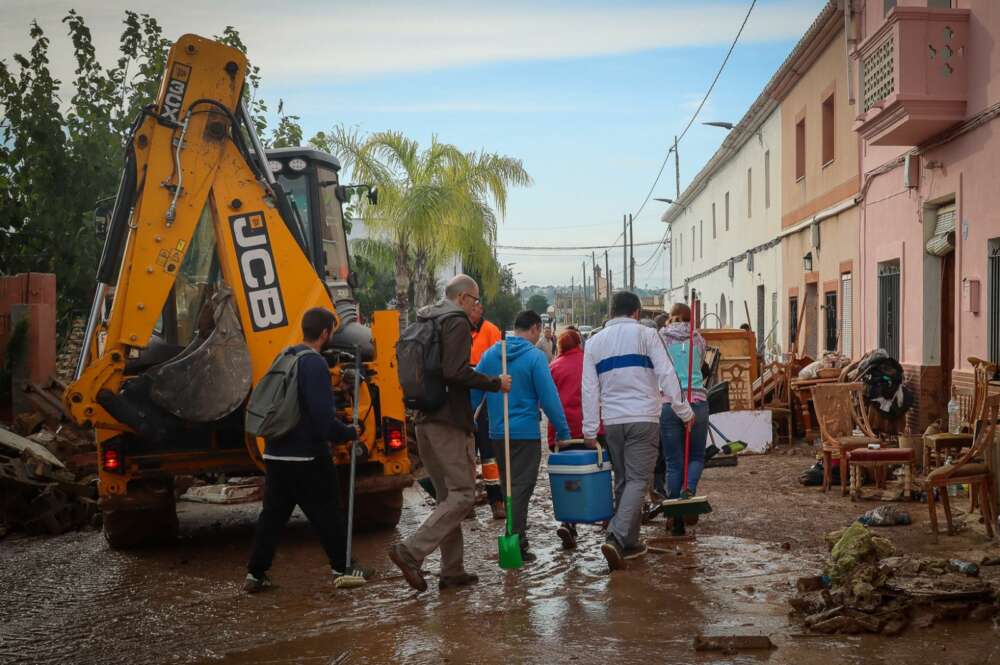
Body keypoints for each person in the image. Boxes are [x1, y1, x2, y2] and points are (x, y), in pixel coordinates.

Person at [388, 275, 511, 593]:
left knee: (448, 497)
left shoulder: (425, 319)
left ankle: (452, 569)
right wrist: (495, 383)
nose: (477, 306)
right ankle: (411, 551)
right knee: (463, 496)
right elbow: (455, 372)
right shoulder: (454, 321)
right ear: (463, 299)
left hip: (424, 420)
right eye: (476, 299)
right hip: (448, 423)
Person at [244, 307, 367, 593]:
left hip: (275, 453)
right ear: (325, 333)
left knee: (272, 517)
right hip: (308, 456)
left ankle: (255, 574)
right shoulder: (314, 364)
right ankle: (343, 567)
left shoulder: (286, 355)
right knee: (329, 513)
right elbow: (323, 419)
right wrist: (349, 432)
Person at [582, 291, 693, 571]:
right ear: (636, 312)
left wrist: (590, 429)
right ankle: (616, 537)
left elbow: (588, 389)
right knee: (638, 481)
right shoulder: (647, 335)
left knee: (623, 481)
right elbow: (667, 374)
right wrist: (684, 411)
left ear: (611, 312)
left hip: (613, 422)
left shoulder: (594, 342)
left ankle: (629, 543)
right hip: (643, 418)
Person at [473, 310, 571, 562]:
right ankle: (516, 540)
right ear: (536, 328)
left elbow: (475, 390)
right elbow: (549, 399)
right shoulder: (535, 358)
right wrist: (563, 431)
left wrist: (470, 419)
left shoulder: (491, 354)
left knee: (508, 485)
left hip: (497, 432)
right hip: (525, 433)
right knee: (522, 488)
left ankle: (516, 537)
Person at [547, 328, 603, 550]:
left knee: (567, 479)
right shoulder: (591, 363)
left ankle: (568, 522)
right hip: (592, 429)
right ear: (579, 344)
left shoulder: (553, 368)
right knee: (600, 471)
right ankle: (605, 515)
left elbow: (548, 401)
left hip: (564, 432)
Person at [659, 303, 710, 536]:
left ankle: (674, 514)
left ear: (670, 317)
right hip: (697, 400)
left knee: (673, 461)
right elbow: (699, 365)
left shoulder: (661, 337)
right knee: (697, 455)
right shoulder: (699, 338)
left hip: (670, 402)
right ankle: (688, 490)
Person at [469, 300, 504, 520]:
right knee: (465, 454)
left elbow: (498, 363)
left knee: (489, 453)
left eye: (476, 306)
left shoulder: (491, 331)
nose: (473, 310)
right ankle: (465, 502)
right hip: (462, 396)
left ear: (481, 310)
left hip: (485, 397)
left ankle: (497, 501)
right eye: (470, 306)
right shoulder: (457, 328)